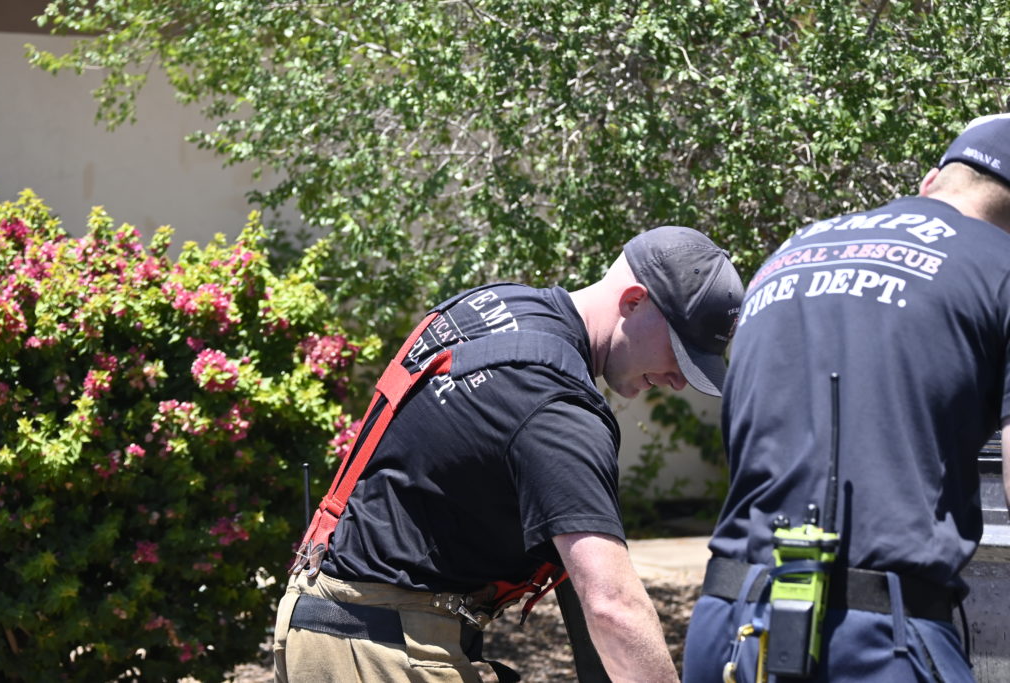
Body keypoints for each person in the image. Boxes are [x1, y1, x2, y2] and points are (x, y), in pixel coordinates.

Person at [272, 226, 744, 682]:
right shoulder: (557, 408)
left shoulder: (496, 305)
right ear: (634, 301)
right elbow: (613, 607)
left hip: (324, 619)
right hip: (377, 648)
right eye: (680, 352)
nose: (679, 380)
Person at [683, 114, 1010, 683]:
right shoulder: (999, 267)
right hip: (879, 640)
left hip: (729, 623)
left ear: (931, 181)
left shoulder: (790, 252)